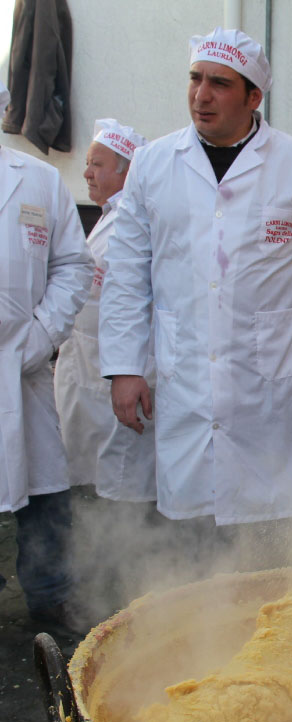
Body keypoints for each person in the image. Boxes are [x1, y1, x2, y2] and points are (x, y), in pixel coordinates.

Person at [99, 28, 292, 527]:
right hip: (185, 379)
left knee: (270, 533)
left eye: (220, 83)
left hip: (268, 382)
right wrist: (124, 367)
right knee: (190, 531)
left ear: (254, 96)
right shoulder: (153, 165)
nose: (202, 95)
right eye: (196, 79)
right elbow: (127, 276)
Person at [0, 80, 94, 634]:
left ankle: (51, 597)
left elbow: (73, 265)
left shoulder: (36, 182)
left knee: (44, 494)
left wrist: (41, 335)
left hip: (24, 363)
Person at [54, 118, 155, 502]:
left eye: (97, 164)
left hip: (119, 371)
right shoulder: (107, 216)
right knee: (87, 473)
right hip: (85, 365)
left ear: (125, 171)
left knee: (122, 477)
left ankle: (128, 551)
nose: (86, 173)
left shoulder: (137, 221)